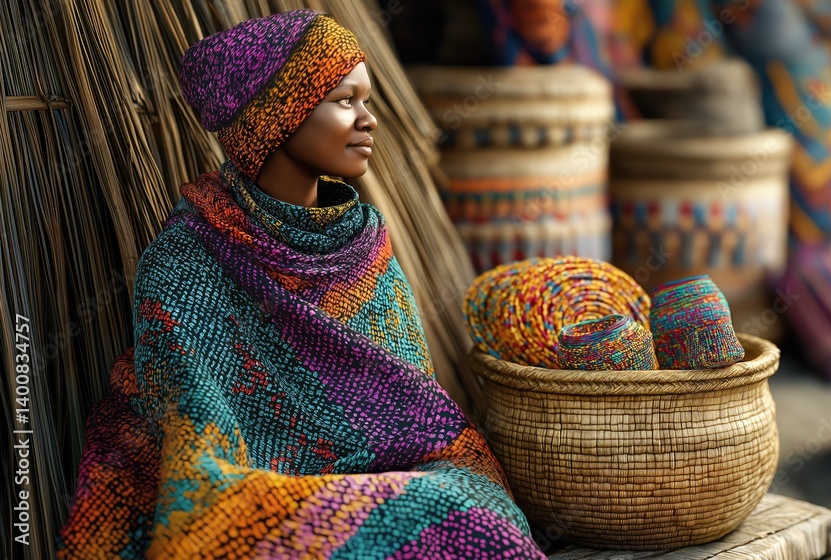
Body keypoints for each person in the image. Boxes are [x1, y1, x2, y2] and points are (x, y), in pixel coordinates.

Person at [57, 10, 546, 558]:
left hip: (400, 471)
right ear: (279, 115)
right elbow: (197, 441)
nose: (369, 120)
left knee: (472, 504)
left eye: (366, 100)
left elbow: (416, 417)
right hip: (254, 487)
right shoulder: (186, 261)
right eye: (345, 100)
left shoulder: (364, 244)